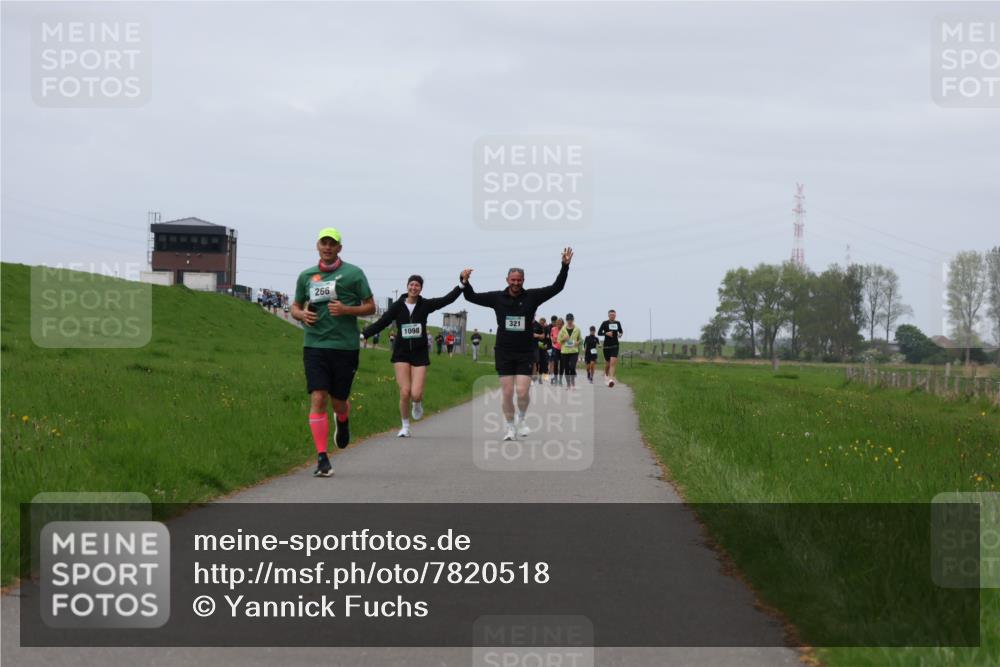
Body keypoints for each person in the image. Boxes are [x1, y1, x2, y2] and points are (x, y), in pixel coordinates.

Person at [459, 248, 573, 441]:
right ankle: (510, 427)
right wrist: (464, 281)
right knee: (507, 392)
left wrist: (564, 266)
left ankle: (521, 419)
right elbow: (471, 297)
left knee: (522, 391)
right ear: (507, 280)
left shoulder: (532, 297)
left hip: (525, 351)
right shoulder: (497, 298)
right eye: (513, 280)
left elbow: (557, 287)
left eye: (519, 280)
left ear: (523, 281)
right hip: (503, 350)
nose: (516, 283)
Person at [291, 227, 375, 478]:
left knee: (338, 401)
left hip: (345, 347)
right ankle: (322, 458)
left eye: (332, 244)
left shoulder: (354, 274)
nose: (327, 247)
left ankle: (343, 418)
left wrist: (347, 310)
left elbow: (371, 306)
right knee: (318, 396)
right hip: (315, 345)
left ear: (339, 248)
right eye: (323, 243)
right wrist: (301, 315)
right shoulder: (306, 276)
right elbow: (294, 306)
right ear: (317, 246)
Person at [362, 275, 462, 437]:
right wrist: (364, 334)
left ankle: (417, 404)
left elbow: (446, 300)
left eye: (417, 285)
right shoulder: (397, 306)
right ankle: (405, 426)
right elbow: (382, 322)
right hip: (401, 352)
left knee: (415, 394)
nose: (414, 288)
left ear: (421, 289)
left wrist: (461, 285)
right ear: (407, 286)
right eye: (411, 285)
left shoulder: (426, 305)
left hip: (419, 353)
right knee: (404, 392)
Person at [598, 309, 623, 387]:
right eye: (611, 315)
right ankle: (606, 375)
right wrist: (606, 333)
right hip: (606, 346)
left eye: (614, 315)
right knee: (608, 363)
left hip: (615, 345)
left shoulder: (618, 323)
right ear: (608, 315)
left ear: (615, 315)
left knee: (612, 363)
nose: (612, 316)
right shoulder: (605, 323)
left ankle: (611, 379)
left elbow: (621, 331)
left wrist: (620, 334)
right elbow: (599, 333)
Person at [558, 313, 582, 388]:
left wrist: (578, 342)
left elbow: (581, 339)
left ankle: (573, 382)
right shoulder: (563, 329)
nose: (569, 321)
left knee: (572, 367)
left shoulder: (577, 329)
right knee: (566, 369)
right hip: (564, 352)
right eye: (568, 320)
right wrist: (563, 339)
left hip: (574, 351)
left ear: (573, 320)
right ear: (566, 320)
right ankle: (568, 384)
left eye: (571, 319)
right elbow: (558, 341)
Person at [532, 317, 548, 383]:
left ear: (544, 323)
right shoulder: (537, 327)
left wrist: (547, 345)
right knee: (537, 363)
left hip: (545, 347)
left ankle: (545, 378)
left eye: (543, 323)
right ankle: (538, 378)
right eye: (541, 322)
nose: (541, 324)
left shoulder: (546, 328)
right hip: (538, 347)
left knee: (545, 363)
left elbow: (547, 339)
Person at [549, 317, 563, 385]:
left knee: (562, 365)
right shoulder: (553, 329)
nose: (559, 326)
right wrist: (552, 339)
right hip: (555, 348)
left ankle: (560, 380)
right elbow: (551, 335)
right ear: (556, 324)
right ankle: (555, 378)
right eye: (558, 324)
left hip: (563, 349)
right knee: (555, 364)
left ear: (563, 324)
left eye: (560, 324)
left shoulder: (564, 330)